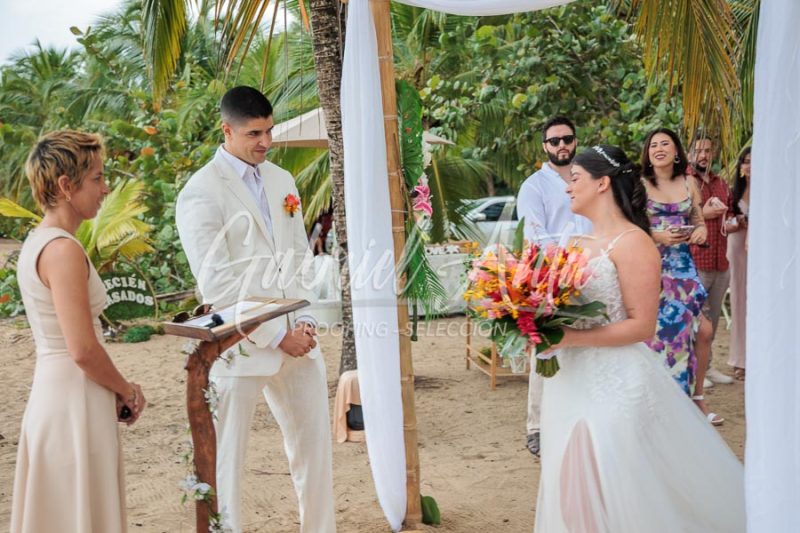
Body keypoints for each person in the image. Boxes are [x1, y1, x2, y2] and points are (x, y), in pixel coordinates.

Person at [533, 144, 744, 533]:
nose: (567, 188)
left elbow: (642, 326)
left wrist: (569, 337)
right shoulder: (573, 244)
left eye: (574, 178)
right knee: (571, 487)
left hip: (617, 380)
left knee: (618, 485)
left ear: (602, 183)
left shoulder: (635, 243)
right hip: (570, 381)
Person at [176, 86, 335, 533]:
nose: (265, 141)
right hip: (241, 346)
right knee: (227, 463)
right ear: (226, 130)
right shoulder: (200, 192)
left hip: (299, 342)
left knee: (314, 453)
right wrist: (274, 334)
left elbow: (300, 256)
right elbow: (219, 282)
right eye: (253, 133)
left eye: (268, 131)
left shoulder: (283, 180)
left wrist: (303, 320)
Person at [11, 130, 146, 533]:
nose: (106, 189)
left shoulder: (38, 242)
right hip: (73, 398)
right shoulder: (62, 250)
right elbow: (83, 349)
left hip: (55, 392)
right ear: (66, 186)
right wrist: (126, 389)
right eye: (98, 179)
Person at [516, 116, 592, 456]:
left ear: (575, 141)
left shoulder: (589, 178)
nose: (562, 145)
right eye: (554, 141)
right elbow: (534, 233)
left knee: (588, 345)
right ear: (545, 146)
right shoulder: (534, 186)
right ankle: (537, 426)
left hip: (594, 273)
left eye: (567, 139)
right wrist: (567, 261)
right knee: (547, 348)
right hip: (551, 277)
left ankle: (578, 418)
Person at [640, 128, 722, 426]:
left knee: (704, 331)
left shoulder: (689, 182)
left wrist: (699, 231)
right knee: (662, 337)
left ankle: (696, 397)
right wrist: (657, 234)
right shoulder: (639, 185)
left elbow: (697, 219)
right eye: (653, 145)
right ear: (647, 154)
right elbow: (630, 228)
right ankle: (665, 404)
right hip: (653, 267)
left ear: (677, 152)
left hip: (684, 267)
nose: (659, 148)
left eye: (666, 143)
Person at [688, 134, 737, 386]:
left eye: (707, 150)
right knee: (697, 321)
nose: (703, 155)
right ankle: (694, 370)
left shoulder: (720, 182)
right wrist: (707, 213)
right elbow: (683, 217)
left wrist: (732, 223)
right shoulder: (685, 180)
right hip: (697, 261)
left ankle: (707, 369)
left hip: (721, 262)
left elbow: (726, 216)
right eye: (698, 151)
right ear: (689, 154)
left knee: (714, 320)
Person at [727, 147, 751, 380]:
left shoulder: (768, 193)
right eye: (745, 161)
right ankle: (739, 359)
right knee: (739, 301)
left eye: (753, 162)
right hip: (737, 248)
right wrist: (739, 221)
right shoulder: (732, 193)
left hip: (760, 252)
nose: (749, 166)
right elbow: (723, 225)